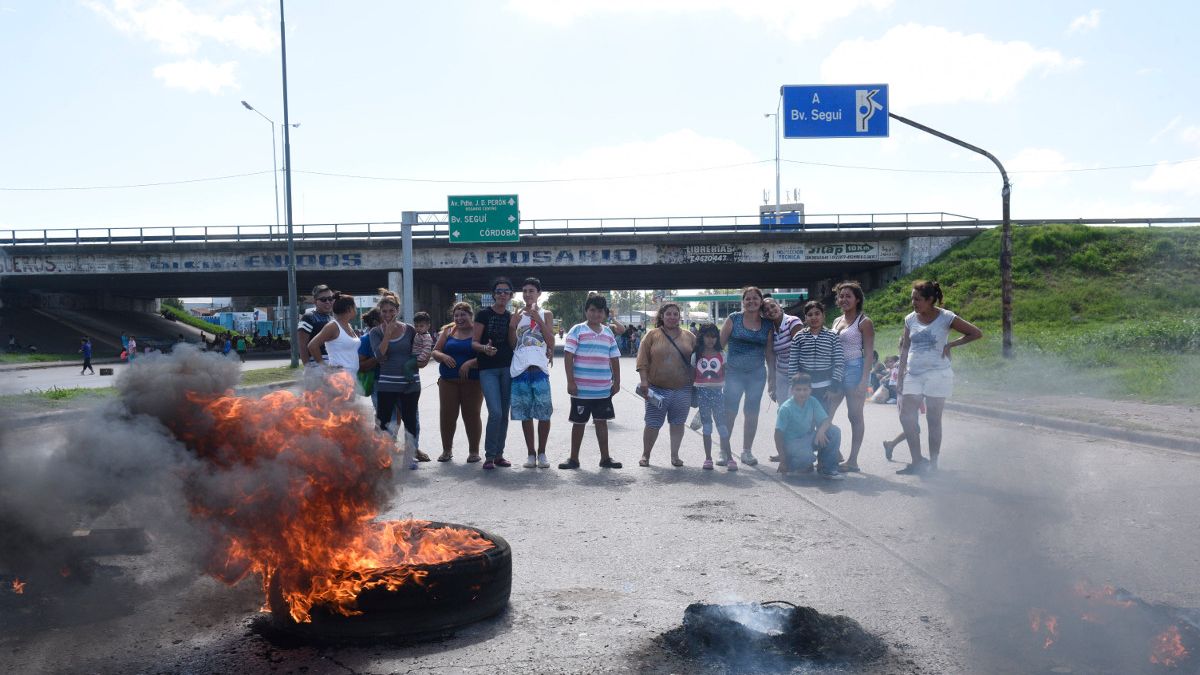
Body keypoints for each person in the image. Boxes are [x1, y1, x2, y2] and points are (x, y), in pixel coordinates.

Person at [895, 280, 983, 475]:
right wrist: (900, 376)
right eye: (912, 299)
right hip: (914, 373)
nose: (913, 303)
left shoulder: (946, 317)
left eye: (917, 299)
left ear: (930, 299)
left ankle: (933, 464)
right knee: (906, 416)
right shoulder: (910, 319)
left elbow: (975, 333)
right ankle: (917, 461)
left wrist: (950, 345)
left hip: (938, 374)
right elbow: (906, 347)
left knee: (933, 420)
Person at [560, 294, 623, 470]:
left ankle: (605, 458)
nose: (596, 314)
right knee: (578, 423)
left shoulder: (608, 332)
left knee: (601, 422)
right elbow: (568, 356)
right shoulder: (577, 330)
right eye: (592, 310)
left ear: (604, 314)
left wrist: (617, 382)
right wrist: (570, 382)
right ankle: (573, 459)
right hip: (581, 389)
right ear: (586, 311)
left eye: (600, 311)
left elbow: (615, 358)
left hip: (603, 389)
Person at [369, 289, 430, 467]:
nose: (388, 314)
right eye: (384, 311)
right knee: (384, 422)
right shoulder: (376, 332)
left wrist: (423, 360)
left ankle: (409, 457)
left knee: (410, 420)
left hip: (410, 384)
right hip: (387, 384)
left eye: (391, 310)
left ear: (397, 310)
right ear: (380, 312)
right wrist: (387, 334)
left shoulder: (410, 330)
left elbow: (420, 351)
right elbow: (379, 357)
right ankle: (383, 457)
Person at [635, 303, 696, 467]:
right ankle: (645, 455)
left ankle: (675, 456)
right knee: (652, 423)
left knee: (677, 423)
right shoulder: (651, 335)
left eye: (675, 314)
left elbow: (700, 360)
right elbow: (642, 360)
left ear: (679, 317)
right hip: (656, 388)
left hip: (683, 389)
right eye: (668, 314)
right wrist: (644, 381)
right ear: (662, 316)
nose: (672, 317)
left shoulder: (689, 336)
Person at [718, 286, 771, 467]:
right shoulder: (734, 319)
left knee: (751, 414)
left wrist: (772, 378)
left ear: (761, 301)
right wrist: (722, 366)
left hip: (757, 375)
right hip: (734, 374)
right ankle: (724, 451)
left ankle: (747, 451)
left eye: (755, 298)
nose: (751, 302)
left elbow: (770, 353)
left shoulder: (767, 324)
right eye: (748, 299)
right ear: (743, 302)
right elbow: (719, 346)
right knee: (729, 413)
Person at [826, 281, 875, 473]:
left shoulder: (864, 322)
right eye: (841, 296)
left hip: (855, 369)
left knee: (854, 415)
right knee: (826, 414)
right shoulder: (836, 321)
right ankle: (835, 453)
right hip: (836, 370)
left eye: (848, 296)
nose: (844, 299)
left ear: (857, 299)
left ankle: (853, 460)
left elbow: (869, 353)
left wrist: (864, 380)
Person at [509, 277, 555, 469]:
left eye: (531, 291)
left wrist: (539, 320)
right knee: (525, 414)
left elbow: (551, 342)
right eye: (525, 291)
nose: (528, 294)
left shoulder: (546, 314)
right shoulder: (516, 315)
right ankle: (530, 453)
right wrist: (512, 326)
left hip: (539, 370)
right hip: (520, 370)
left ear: (539, 294)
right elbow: (513, 345)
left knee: (544, 414)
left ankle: (542, 453)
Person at [432, 302, 483, 463]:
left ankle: (474, 451)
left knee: (472, 415)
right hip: (448, 382)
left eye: (463, 315)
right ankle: (447, 450)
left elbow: (487, 354)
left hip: (473, 382)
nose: (459, 318)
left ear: (470, 315)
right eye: (456, 315)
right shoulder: (448, 331)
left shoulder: (478, 330)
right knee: (447, 416)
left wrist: (470, 363)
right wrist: (443, 357)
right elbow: (435, 351)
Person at [473, 277, 516, 469]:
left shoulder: (511, 316)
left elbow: (514, 343)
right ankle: (489, 456)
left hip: (507, 368)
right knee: (495, 412)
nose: (502, 295)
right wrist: (484, 348)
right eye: (499, 291)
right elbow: (473, 342)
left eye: (506, 292)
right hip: (488, 369)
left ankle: (499, 454)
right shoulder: (483, 314)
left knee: (504, 413)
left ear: (510, 295)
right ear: (493, 295)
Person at [775, 373, 844, 480]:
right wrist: (782, 460)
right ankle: (792, 465)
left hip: (807, 439)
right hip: (792, 444)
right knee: (807, 458)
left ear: (810, 390)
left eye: (805, 389)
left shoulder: (812, 401)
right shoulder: (786, 408)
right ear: (792, 390)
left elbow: (826, 420)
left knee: (833, 431)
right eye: (798, 389)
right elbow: (778, 435)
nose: (802, 393)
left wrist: (821, 431)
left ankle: (827, 469)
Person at [787, 300, 844, 410]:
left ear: (823, 316)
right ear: (805, 318)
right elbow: (793, 364)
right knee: (805, 422)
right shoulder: (799, 337)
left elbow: (839, 363)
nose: (814, 317)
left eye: (817, 313)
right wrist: (794, 387)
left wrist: (833, 387)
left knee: (823, 421)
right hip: (804, 389)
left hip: (826, 389)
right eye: (810, 315)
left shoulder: (832, 336)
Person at [691, 323, 731, 471]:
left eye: (714, 336)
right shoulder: (696, 355)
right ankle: (708, 458)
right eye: (707, 336)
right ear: (702, 337)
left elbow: (727, 374)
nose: (711, 340)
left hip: (718, 394)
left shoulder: (722, 354)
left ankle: (730, 457)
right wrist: (692, 395)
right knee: (707, 427)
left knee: (722, 426)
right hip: (702, 395)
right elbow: (692, 376)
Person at [306, 293, 362, 377]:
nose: (356, 310)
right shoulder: (333, 326)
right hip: (338, 378)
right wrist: (325, 367)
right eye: (355, 307)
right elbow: (312, 345)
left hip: (352, 376)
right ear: (349, 309)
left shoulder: (348, 325)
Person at [764, 296, 804, 405]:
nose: (770, 311)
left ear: (779, 306)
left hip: (797, 374)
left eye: (772, 306)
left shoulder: (793, 322)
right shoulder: (770, 329)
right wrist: (771, 383)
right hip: (781, 374)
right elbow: (770, 357)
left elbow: (803, 350)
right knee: (783, 409)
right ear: (763, 315)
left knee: (795, 409)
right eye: (766, 310)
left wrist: (801, 377)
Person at [297, 284, 335, 364]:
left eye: (330, 299)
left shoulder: (332, 319)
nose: (328, 302)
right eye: (323, 299)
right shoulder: (308, 317)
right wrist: (308, 368)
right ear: (315, 302)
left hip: (331, 364)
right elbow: (302, 345)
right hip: (316, 365)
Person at [405, 312, 434, 377]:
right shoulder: (419, 334)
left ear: (428, 326)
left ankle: (410, 379)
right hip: (414, 355)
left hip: (417, 357)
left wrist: (419, 359)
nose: (418, 328)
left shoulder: (426, 337)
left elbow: (426, 350)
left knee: (407, 366)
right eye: (416, 326)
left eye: (421, 326)